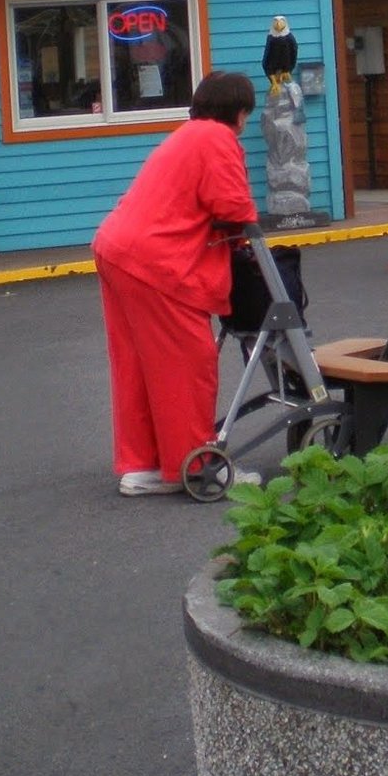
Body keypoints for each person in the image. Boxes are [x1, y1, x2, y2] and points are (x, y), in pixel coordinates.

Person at [91, 71, 259, 497]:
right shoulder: (218, 139)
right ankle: (196, 466)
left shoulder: (187, 135)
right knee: (187, 363)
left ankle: (142, 465)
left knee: (137, 365)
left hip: (118, 248)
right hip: (157, 259)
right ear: (239, 113)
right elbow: (232, 205)